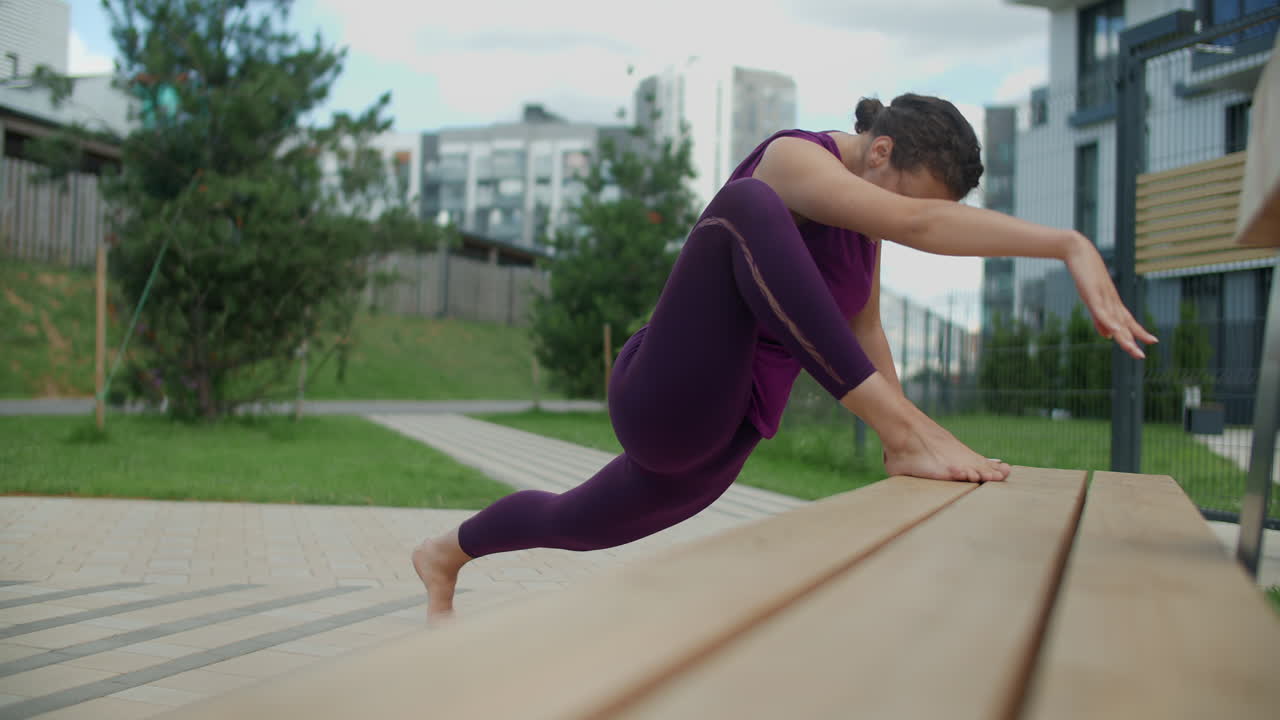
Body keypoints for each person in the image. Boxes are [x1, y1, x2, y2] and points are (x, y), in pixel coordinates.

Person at [411, 93, 1157, 621]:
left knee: (574, 521)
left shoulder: (862, 225)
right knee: (749, 206)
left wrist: (909, 443)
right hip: (664, 394)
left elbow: (865, 325)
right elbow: (919, 222)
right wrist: (1067, 242)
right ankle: (904, 434)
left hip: (724, 436)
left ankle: (446, 552)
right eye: (907, 199)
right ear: (882, 150)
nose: (899, 226)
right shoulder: (794, 160)